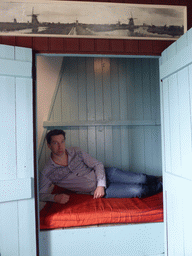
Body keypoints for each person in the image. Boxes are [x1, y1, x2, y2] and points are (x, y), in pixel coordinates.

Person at [39, 129, 162, 204]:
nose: (60, 147)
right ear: (49, 145)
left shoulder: (76, 151)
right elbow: (41, 194)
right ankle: (163, 185)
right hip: (97, 191)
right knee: (138, 190)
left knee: (142, 179)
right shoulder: (47, 172)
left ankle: (159, 179)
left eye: (62, 142)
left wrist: (101, 185)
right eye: (55, 143)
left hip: (107, 174)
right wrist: (55, 198)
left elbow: (97, 164)